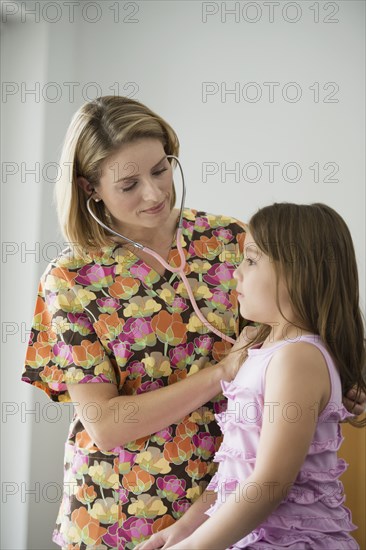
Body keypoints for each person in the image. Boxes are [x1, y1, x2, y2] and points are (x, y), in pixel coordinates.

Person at [21, 96, 365, 550]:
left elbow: (297, 327)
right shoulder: (70, 279)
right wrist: (221, 374)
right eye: (128, 184)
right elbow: (105, 424)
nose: (155, 193)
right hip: (121, 507)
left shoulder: (229, 240)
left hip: (234, 503)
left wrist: (344, 376)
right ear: (91, 189)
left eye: (161, 170)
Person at [136, 202, 366, 550]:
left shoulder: (297, 359)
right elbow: (235, 474)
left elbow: (269, 483)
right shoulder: (266, 351)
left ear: (298, 270)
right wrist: (183, 531)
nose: (237, 273)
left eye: (252, 259)